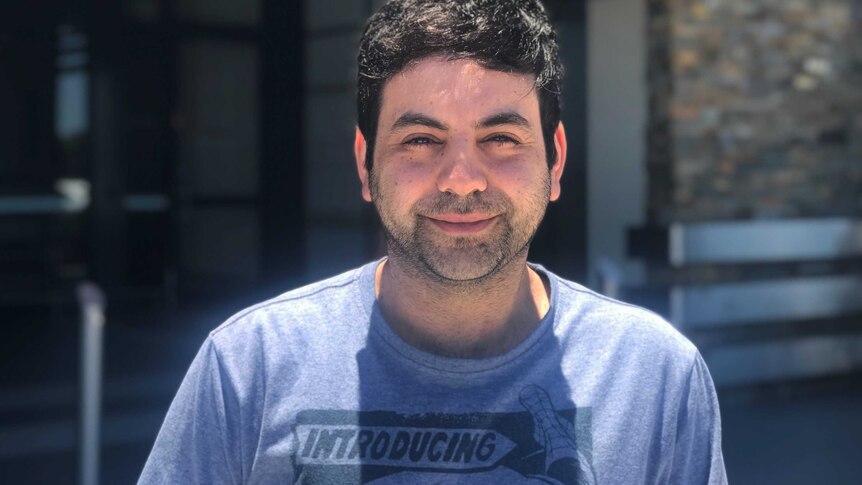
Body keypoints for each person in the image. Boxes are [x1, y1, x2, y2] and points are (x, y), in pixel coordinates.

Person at [139, 0, 727, 483]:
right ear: (366, 165)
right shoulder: (250, 367)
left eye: (501, 137)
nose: (462, 178)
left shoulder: (656, 376)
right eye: (421, 139)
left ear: (556, 162)